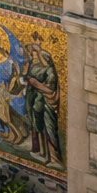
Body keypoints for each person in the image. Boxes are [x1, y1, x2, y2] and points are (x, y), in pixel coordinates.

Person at [23, 35, 63, 166]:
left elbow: (51, 90)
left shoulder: (50, 71)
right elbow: (26, 77)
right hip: (35, 102)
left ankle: (54, 158)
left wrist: (36, 84)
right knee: (37, 126)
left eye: (40, 56)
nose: (37, 57)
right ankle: (42, 153)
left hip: (47, 104)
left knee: (49, 129)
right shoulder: (34, 67)